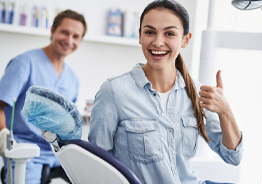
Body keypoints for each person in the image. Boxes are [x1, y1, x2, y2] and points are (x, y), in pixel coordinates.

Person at [88, 0, 243, 184]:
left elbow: (233, 157)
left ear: (185, 39)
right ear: (139, 36)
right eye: (149, 32)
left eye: (169, 33)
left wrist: (226, 111)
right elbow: (95, 168)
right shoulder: (114, 92)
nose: (158, 41)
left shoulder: (197, 92)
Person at [0, 9, 87, 184]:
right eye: (65, 32)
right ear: (52, 30)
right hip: (25, 150)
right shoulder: (25, 62)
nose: (69, 40)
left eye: (76, 36)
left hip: (57, 153)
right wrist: (2, 133)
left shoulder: (72, 79)